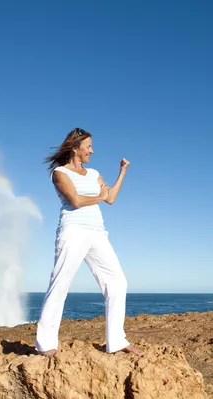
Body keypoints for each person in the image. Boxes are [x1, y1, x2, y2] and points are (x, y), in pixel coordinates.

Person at [35, 127, 143, 357]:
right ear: (75, 148)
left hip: (98, 232)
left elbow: (110, 198)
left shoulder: (94, 174)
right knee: (60, 284)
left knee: (117, 283)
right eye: (88, 147)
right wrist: (99, 197)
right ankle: (45, 345)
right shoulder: (60, 173)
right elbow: (74, 200)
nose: (92, 151)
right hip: (72, 230)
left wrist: (122, 172)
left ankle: (116, 341)